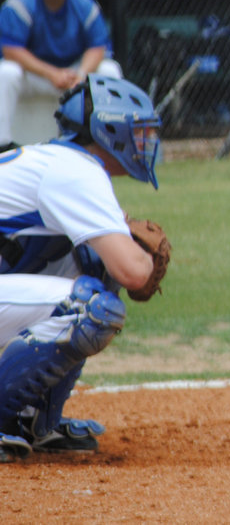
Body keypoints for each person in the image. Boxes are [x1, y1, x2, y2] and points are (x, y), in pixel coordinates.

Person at [0, 74, 162, 462]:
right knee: (89, 308)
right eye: (139, 132)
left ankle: (33, 419)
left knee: (93, 265)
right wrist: (146, 256)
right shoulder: (74, 170)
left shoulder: (62, 163)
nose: (147, 143)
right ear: (109, 130)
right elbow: (134, 272)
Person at [0, 0, 123, 151]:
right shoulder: (20, 5)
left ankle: (113, 141)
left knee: (110, 70)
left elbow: (97, 47)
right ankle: (2, 145)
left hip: (74, 75)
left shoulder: (83, 3)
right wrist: (52, 73)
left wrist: (81, 75)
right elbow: (11, 51)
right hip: (37, 76)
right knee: (6, 72)